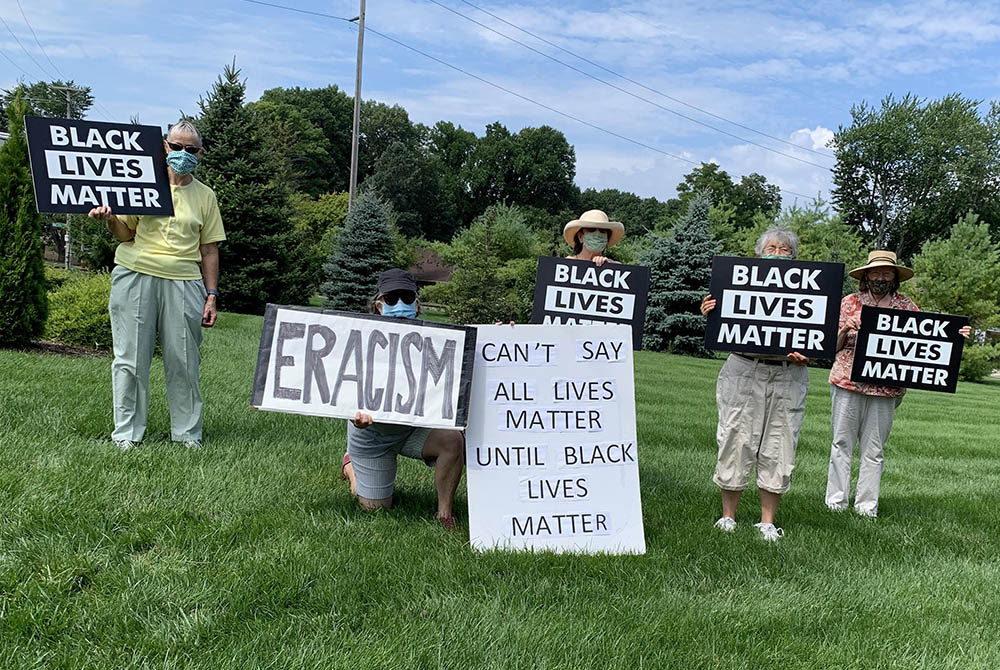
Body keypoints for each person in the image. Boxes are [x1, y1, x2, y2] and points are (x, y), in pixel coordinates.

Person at [88, 119, 225, 450]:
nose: (182, 153)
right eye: (176, 146)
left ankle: (187, 434)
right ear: (165, 146)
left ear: (200, 153)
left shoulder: (206, 196)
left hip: (184, 282)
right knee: (130, 358)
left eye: (190, 149)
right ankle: (127, 433)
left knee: (184, 361)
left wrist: (211, 295)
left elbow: (209, 249)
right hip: (135, 275)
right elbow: (126, 232)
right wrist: (109, 220)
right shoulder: (143, 183)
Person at [826, 251, 970, 518]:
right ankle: (835, 503)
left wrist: (956, 335)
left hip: (886, 388)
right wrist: (846, 328)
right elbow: (829, 348)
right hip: (847, 383)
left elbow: (925, 343)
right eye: (876, 272)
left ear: (895, 277)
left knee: (874, 450)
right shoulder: (848, 303)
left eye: (887, 273)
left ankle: (866, 507)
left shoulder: (907, 307)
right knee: (841, 443)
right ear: (866, 275)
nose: (881, 278)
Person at [700, 227, 810, 541]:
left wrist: (808, 356)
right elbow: (722, 325)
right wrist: (709, 311)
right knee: (735, 438)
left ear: (793, 257)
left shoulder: (810, 291)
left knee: (780, 442)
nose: (777, 253)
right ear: (759, 254)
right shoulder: (737, 281)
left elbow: (819, 337)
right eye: (771, 248)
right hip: (744, 367)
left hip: (788, 372)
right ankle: (728, 517)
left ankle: (767, 522)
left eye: (783, 249)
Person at [340, 269, 466, 529]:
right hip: (372, 437)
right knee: (375, 509)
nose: (400, 305)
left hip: (412, 430)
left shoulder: (436, 341)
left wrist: (499, 338)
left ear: (417, 305)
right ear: (378, 306)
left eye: (407, 298)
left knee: (453, 439)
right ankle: (351, 467)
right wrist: (357, 418)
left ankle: (444, 514)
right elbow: (341, 386)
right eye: (391, 299)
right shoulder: (359, 339)